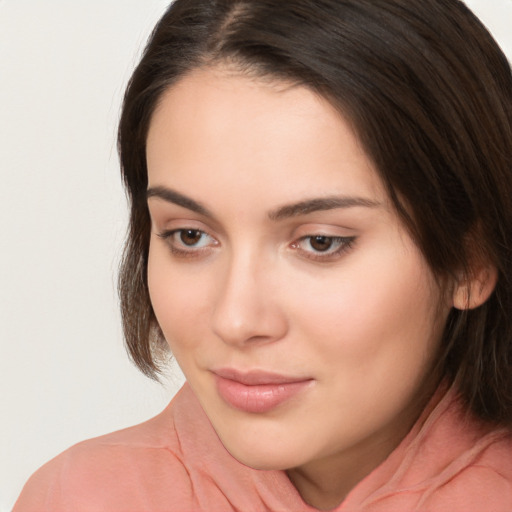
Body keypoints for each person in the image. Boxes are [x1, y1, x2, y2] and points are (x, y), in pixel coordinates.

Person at [14, 0, 512, 510]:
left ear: (468, 259)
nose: (235, 320)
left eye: (320, 242)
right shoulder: (77, 498)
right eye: (189, 235)